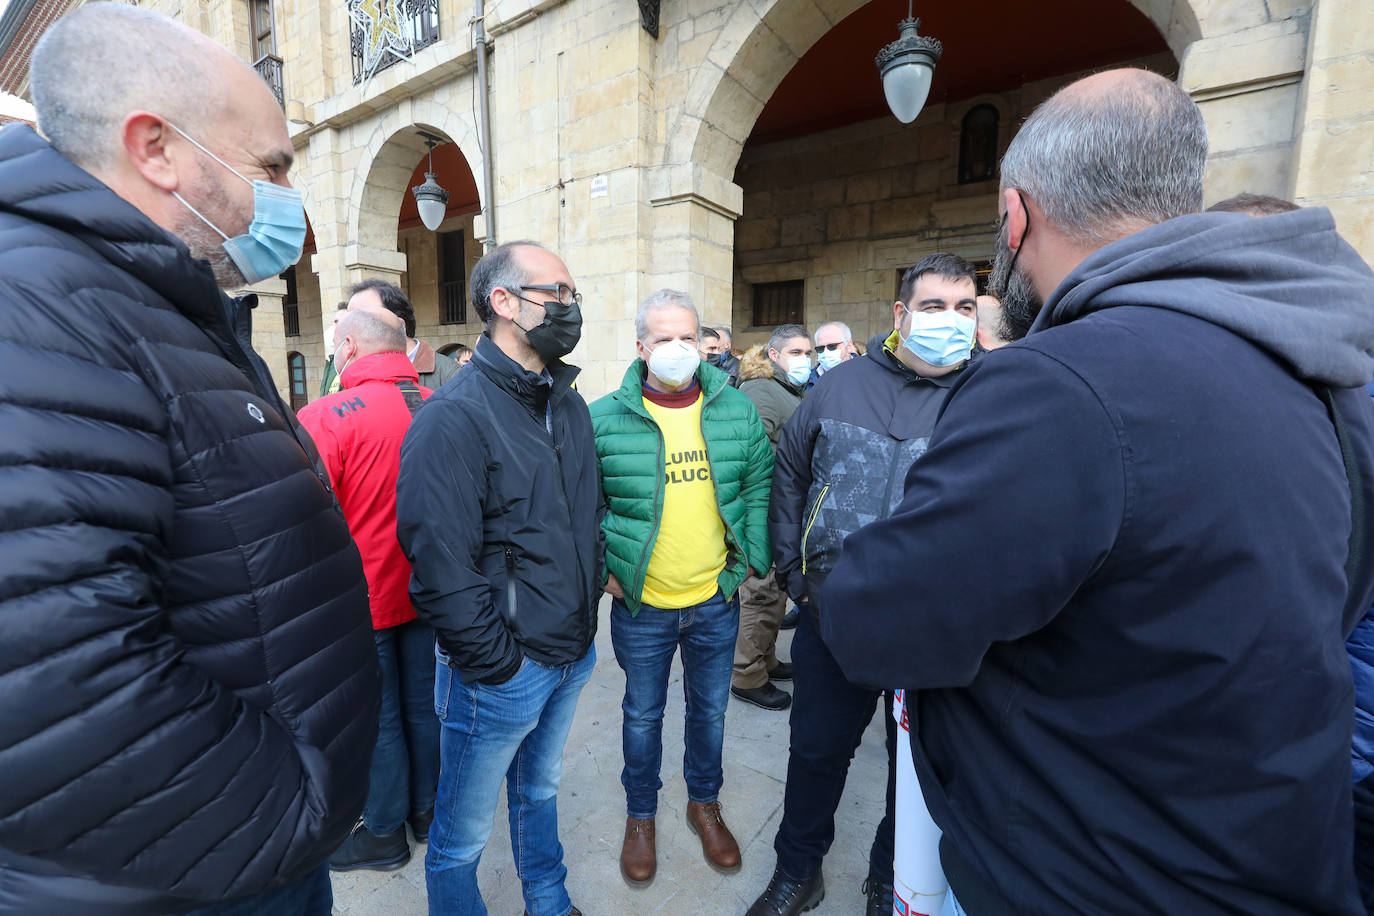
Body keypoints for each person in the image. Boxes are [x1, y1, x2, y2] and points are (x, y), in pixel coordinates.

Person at [825, 68, 1374, 915]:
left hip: (1093, 871)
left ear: (1016, 215)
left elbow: (880, 621)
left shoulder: (1060, 381)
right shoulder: (1327, 370)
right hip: (1274, 850)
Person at [0, 5, 379, 914]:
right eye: (272, 167)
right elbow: (53, 688)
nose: (287, 199)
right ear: (157, 150)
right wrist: (288, 811)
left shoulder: (143, 300)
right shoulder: (39, 313)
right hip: (204, 872)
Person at [747, 253, 979, 916]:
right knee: (817, 752)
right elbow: (790, 473)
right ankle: (797, 872)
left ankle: (889, 877)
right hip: (834, 615)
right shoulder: (839, 384)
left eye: (964, 308)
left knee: (914, 768)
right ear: (901, 315)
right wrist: (793, 572)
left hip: (933, 632)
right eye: (934, 306)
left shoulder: (990, 393)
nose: (951, 321)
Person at [395, 241, 600, 916]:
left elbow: (582, 517)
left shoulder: (566, 404)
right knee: (461, 834)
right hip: (502, 672)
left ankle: (549, 899)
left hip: (570, 652)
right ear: (505, 304)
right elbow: (438, 565)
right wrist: (497, 665)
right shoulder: (452, 417)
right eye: (559, 294)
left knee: (539, 791)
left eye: (573, 295)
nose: (571, 307)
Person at [589, 290, 772, 884]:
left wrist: (748, 561)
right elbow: (577, 508)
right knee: (642, 716)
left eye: (687, 337)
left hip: (714, 602)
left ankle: (704, 804)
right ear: (641, 346)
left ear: (704, 343)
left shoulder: (734, 409)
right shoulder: (602, 417)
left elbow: (759, 482)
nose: (677, 349)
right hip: (642, 606)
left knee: (710, 712)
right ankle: (641, 816)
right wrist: (603, 572)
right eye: (663, 338)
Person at [296, 307, 440, 874]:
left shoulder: (325, 415)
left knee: (377, 718)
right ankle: (428, 812)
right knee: (426, 707)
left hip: (363, 597)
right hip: (433, 591)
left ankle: (383, 830)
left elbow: (301, 515)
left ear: (349, 347)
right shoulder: (442, 406)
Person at [731, 324, 812, 711]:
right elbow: (752, 456)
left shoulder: (786, 389)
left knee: (775, 592)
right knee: (761, 593)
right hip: (765, 512)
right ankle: (746, 674)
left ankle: (765, 660)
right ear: (774, 356)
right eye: (796, 352)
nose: (806, 359)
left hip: (782, 510)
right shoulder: (763, 390)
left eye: (808, 352)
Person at [340, 278, 460, 393]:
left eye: (362, 319)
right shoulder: (350, 377)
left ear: (398, 326)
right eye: (349, 320)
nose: (349, 330)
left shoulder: (450, 376)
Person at [808, 320, 855, 390]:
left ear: (848, 345)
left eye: (832, 346)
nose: (826, 352)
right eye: (820, 348)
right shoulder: (807, 382)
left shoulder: (867, 374)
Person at [320, 302, 349, 395]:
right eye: (335, 322)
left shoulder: (356, 362)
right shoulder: (331, 364)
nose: (336, 327)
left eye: (342, 321)